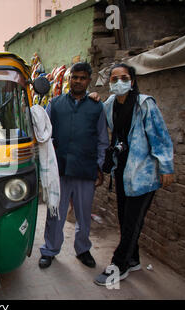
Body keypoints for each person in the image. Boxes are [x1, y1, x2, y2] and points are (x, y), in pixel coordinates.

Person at [93, 63, 174, 286]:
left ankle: (118, 265)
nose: (119, 82)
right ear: (109, 83)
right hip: (122, 172)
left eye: (124, 78)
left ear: (133, 80)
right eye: (114, 79)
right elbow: (98, 115)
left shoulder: (144, 104)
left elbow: (160, 136)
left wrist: (166, 167)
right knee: (125, 219)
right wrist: (94, 97)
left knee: (131, 222)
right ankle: (134, 259)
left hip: (144, 174)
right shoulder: (109, 105)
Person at [38, 62, 109, 269]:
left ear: (88, 80)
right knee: (55, 213)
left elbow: (103, 140)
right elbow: (44, 135)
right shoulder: (55, 104)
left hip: (85, 169)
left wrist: (99, 166)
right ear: (69, 80)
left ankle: (83, 249)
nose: (78, 81)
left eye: (82, 78)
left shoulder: (97, 107)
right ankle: (50, 249)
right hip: (59, 169)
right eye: (74, 77)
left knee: (84, 214)